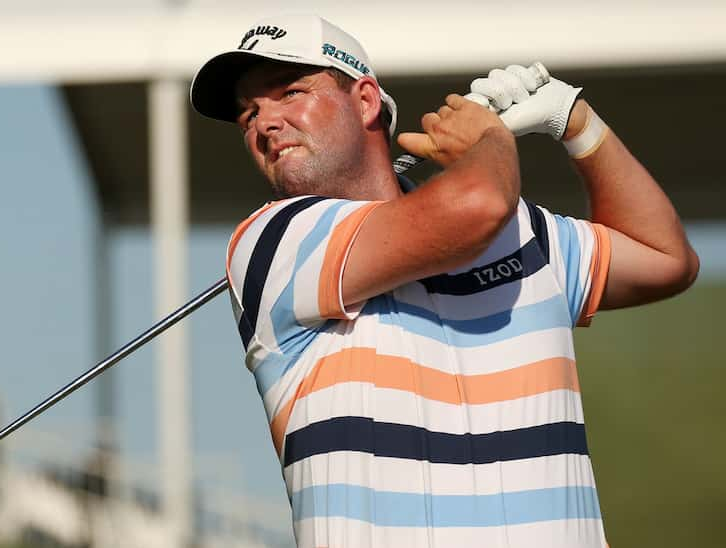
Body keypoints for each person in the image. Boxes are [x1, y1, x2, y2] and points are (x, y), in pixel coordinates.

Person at [190, 14, 699, 548]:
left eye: (290, 92)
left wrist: (578, 124)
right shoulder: (273, 241)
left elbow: (666, 259)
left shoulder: (520, 231)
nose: (264, 123)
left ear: (365, 101)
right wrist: (489, 140)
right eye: (249, 113)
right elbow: (475, 206)